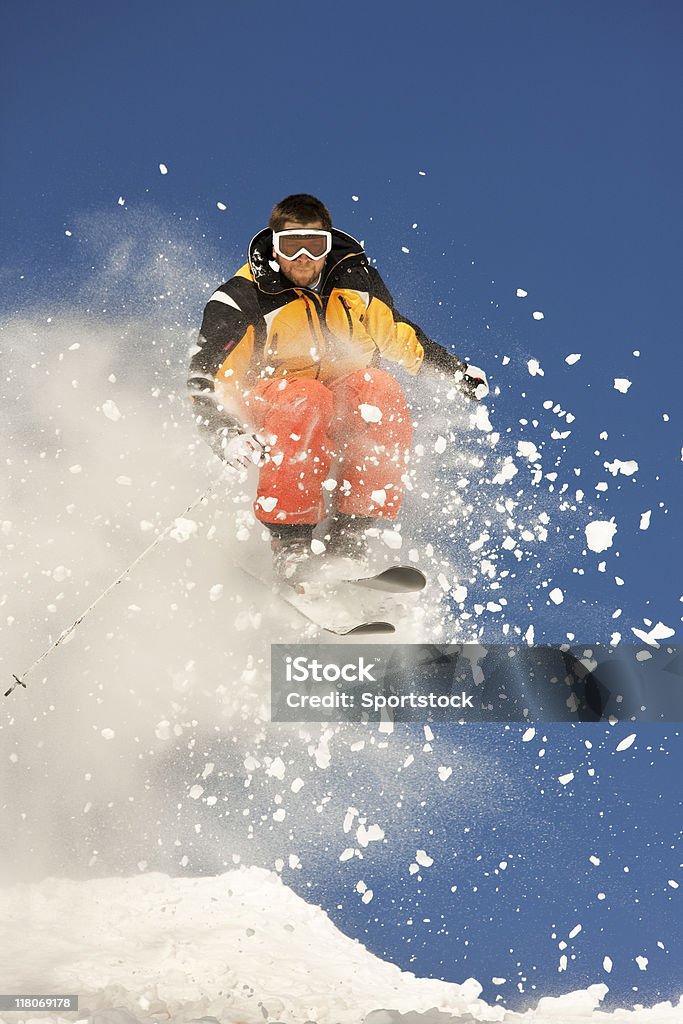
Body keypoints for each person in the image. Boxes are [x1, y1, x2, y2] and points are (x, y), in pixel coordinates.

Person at [187, 193, 488, 586]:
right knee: (307, 398)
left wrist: (454, 371)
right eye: (290, 246)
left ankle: (349, 541)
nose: (303, 258)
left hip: (335, 397)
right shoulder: (244, 296)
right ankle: (291, 547)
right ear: (274, 247)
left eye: (315, 245)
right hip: (271, 402)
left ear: (328, 245)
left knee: (378, 389)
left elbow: (398, 334)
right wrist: (225, 433)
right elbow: (206, 379)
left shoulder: (354, 283)